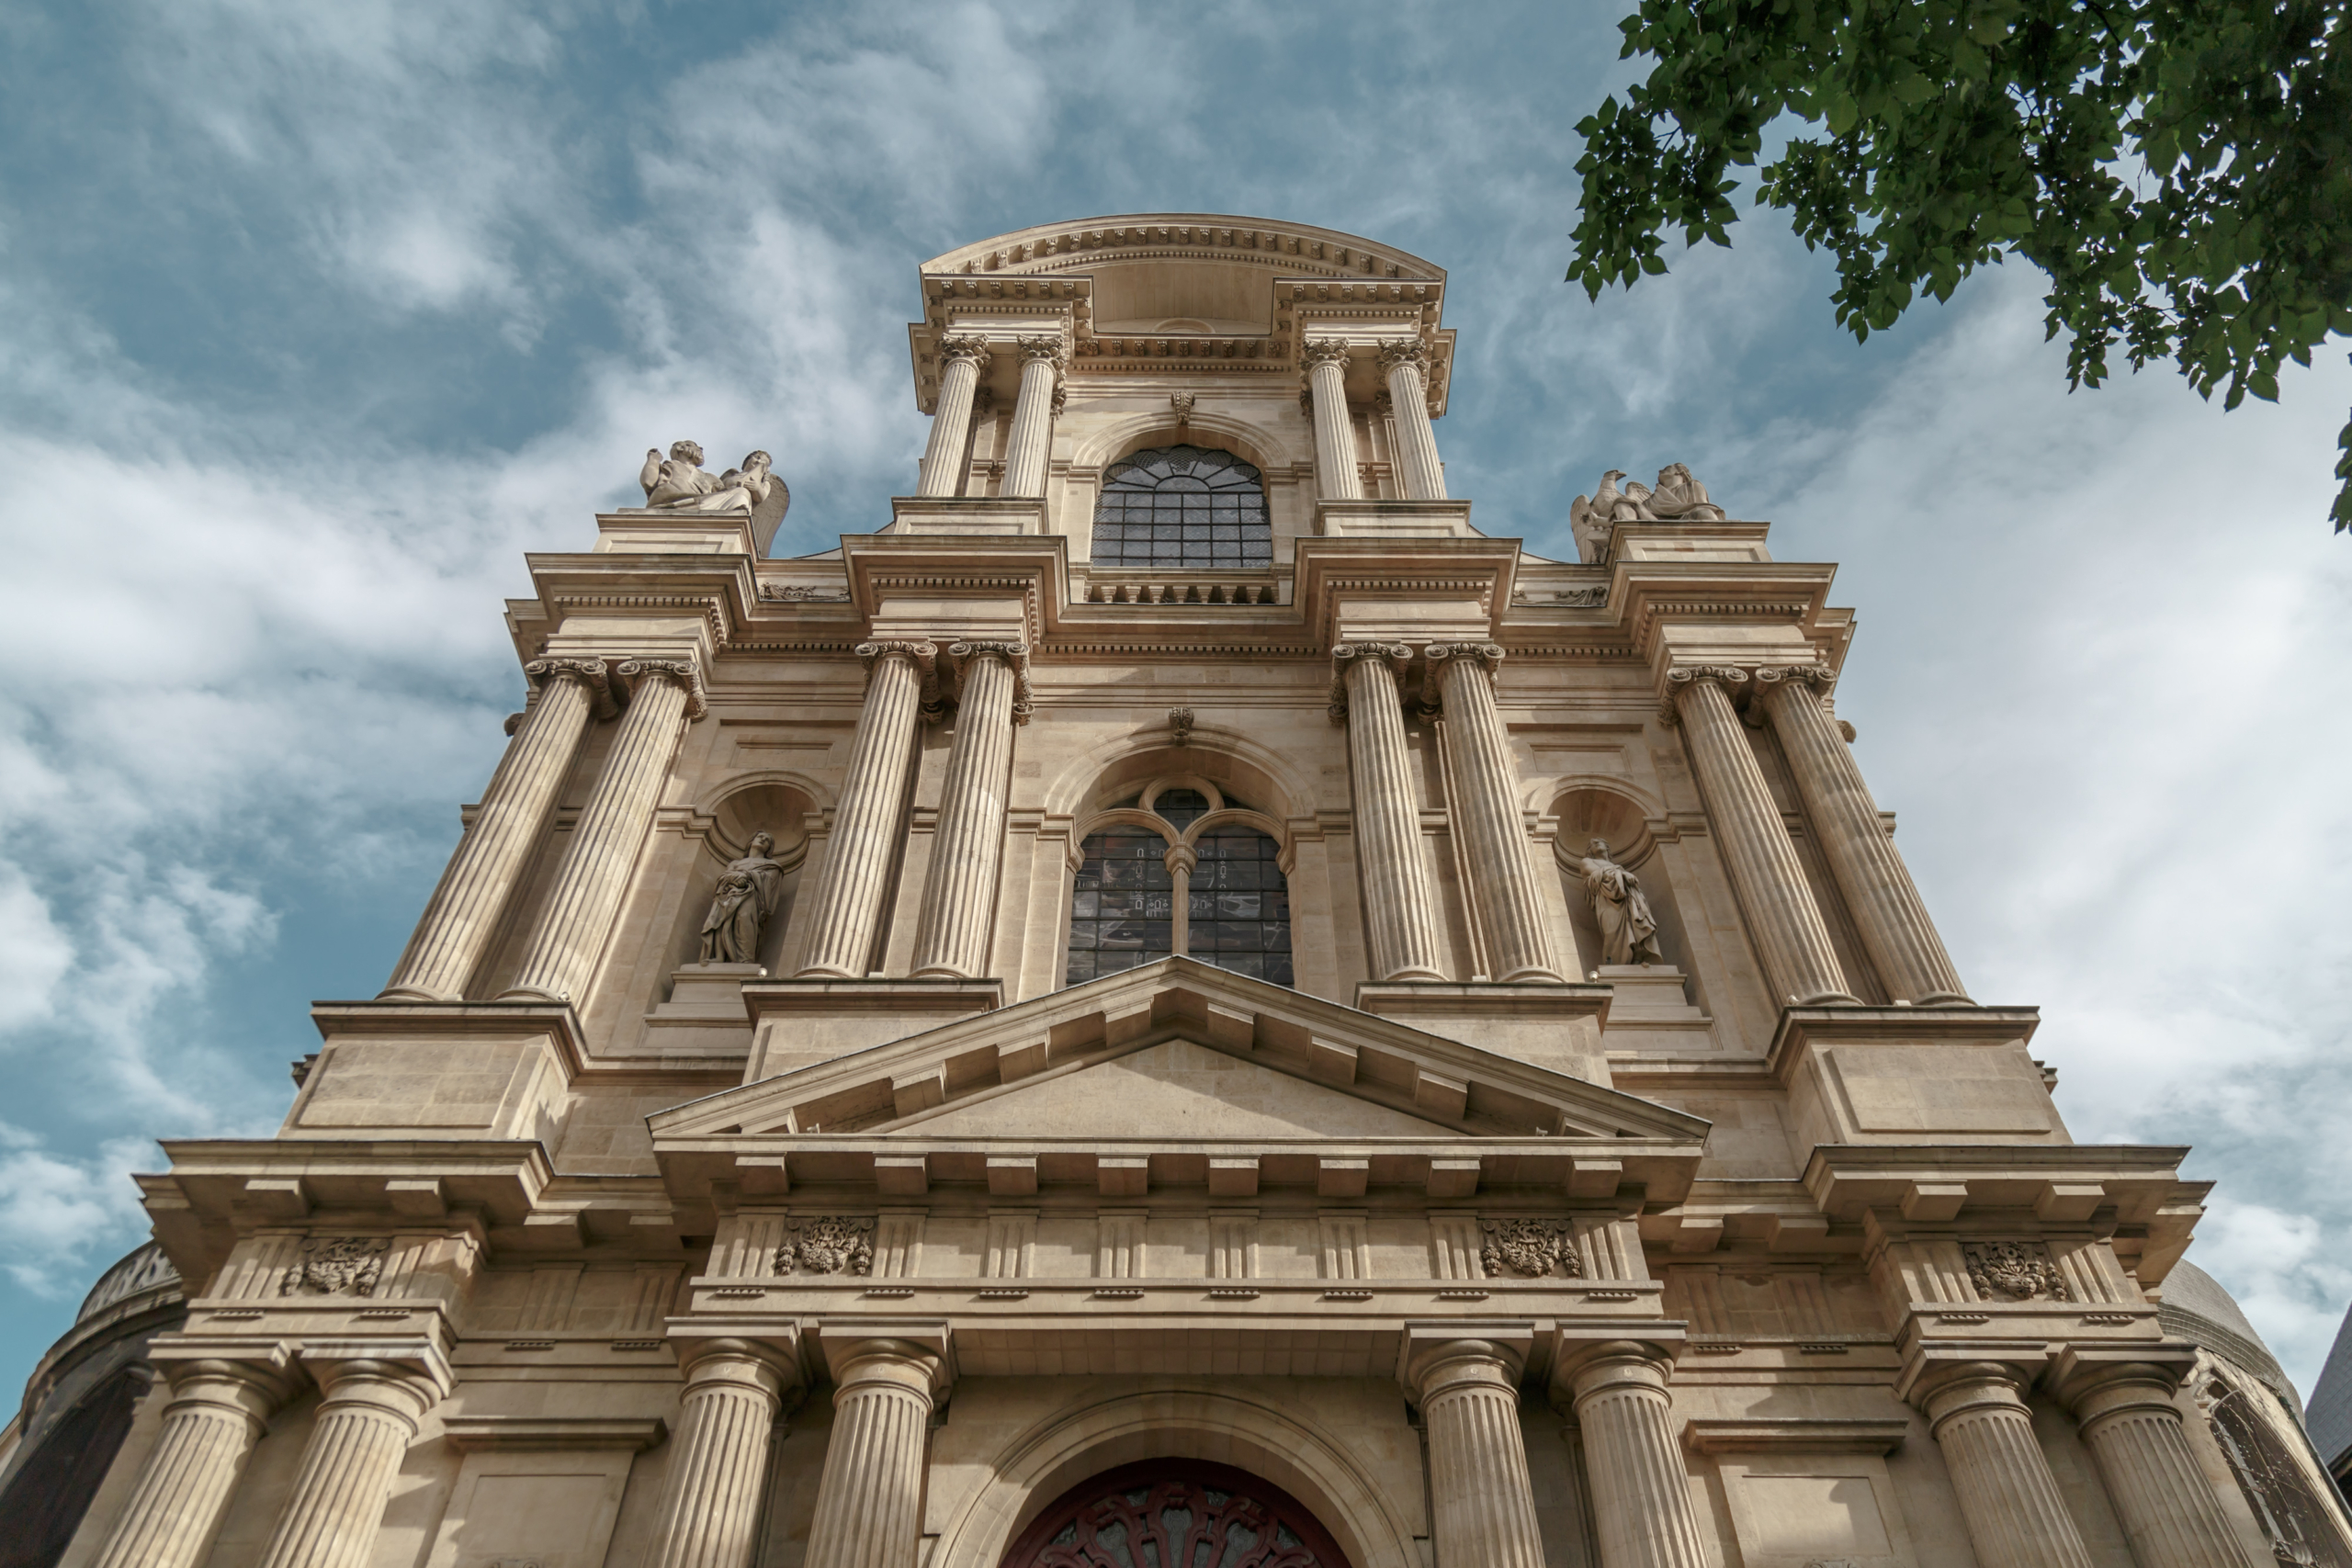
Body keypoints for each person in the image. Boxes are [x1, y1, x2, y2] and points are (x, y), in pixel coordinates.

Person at [699, 831, 788, 964]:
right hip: (727, 895)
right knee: (719, 920)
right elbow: (723, 877)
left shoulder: (773, 866)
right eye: (760, 837)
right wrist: (734, 878)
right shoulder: (736, 863)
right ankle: (719, 956)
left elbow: (770, 883)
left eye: (767, 840)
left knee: (744, 920)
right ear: (751, 841)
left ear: (769, 848)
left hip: (751, 897)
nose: (763, 840)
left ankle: (745, 960)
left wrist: (748, 876)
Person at [1577, 838, 1666, 965]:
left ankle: (1638, 958)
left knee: (1636, 925)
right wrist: (1621, 875)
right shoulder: (1587, 861)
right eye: (1591, 844)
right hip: (1607, 901)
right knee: (1612, 931)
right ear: (1590, 851)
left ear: (1607, 847)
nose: (1595, 843)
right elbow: (1594, 873)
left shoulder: (1617, 867)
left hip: (1629, 899)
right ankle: (1616, 964)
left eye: (1599, 841)